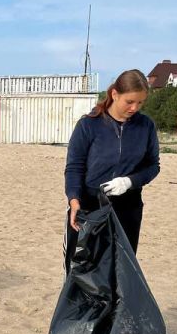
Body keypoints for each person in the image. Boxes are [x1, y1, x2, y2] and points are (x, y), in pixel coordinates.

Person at [63, 69, 160, 270]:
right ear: (115, 94)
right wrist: (74, 201)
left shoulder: (146, 126)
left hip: (128, 208)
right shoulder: (88, 125)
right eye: (130, 102)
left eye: (140, 103)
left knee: (120, 270)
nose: (135, 108)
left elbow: (153, 166)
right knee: (83, 270)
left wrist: (129, 181)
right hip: (89, 207)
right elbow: (74, 167)